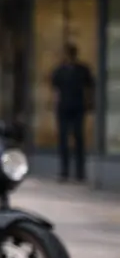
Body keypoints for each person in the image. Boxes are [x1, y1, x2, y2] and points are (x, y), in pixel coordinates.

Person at [50, 44, 95, 182]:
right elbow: (55, 90)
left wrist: (89, 103)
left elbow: (90, 87)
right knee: (63, 140)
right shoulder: (59, 70)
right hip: (64, 109)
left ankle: (79, 173)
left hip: (77, 107)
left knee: (78, 138)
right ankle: (65, 172)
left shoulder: (82, 70)